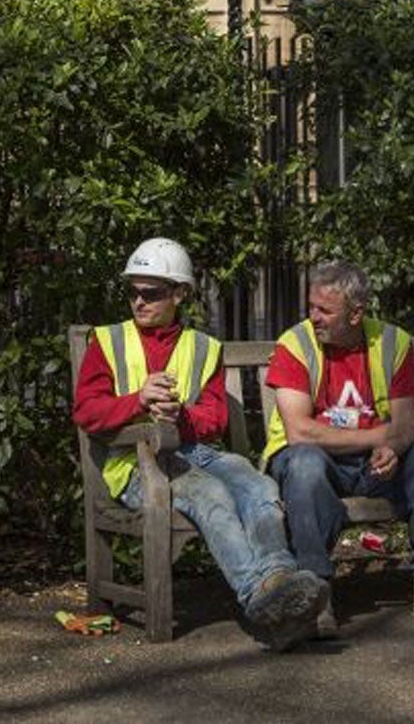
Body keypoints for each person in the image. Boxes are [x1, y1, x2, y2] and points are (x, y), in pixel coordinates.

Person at [73, 237, 326, 649]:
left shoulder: (204, 347)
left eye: (150, 293)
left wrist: (180, 416)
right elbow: (86, 412)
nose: (138, 302)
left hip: (193, 450)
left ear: (180, 293)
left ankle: (279, 580)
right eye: (132, 291)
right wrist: (137, 400)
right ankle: (260, 597)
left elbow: (216, 419)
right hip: (134, 462)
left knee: (257, 484)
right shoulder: (107, 341)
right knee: (210, 495)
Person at [262, 258, 414, 634]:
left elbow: (405, 425)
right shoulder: (295, 343)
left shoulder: (392, 343)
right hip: (316, 463)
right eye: (311, 307)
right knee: (304, 464)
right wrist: (379, 437)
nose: (314, 317)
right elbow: (300, 433)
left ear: (356, 315)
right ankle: (316, 593)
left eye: (325, 310)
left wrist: (394, 447)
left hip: (376, 465)